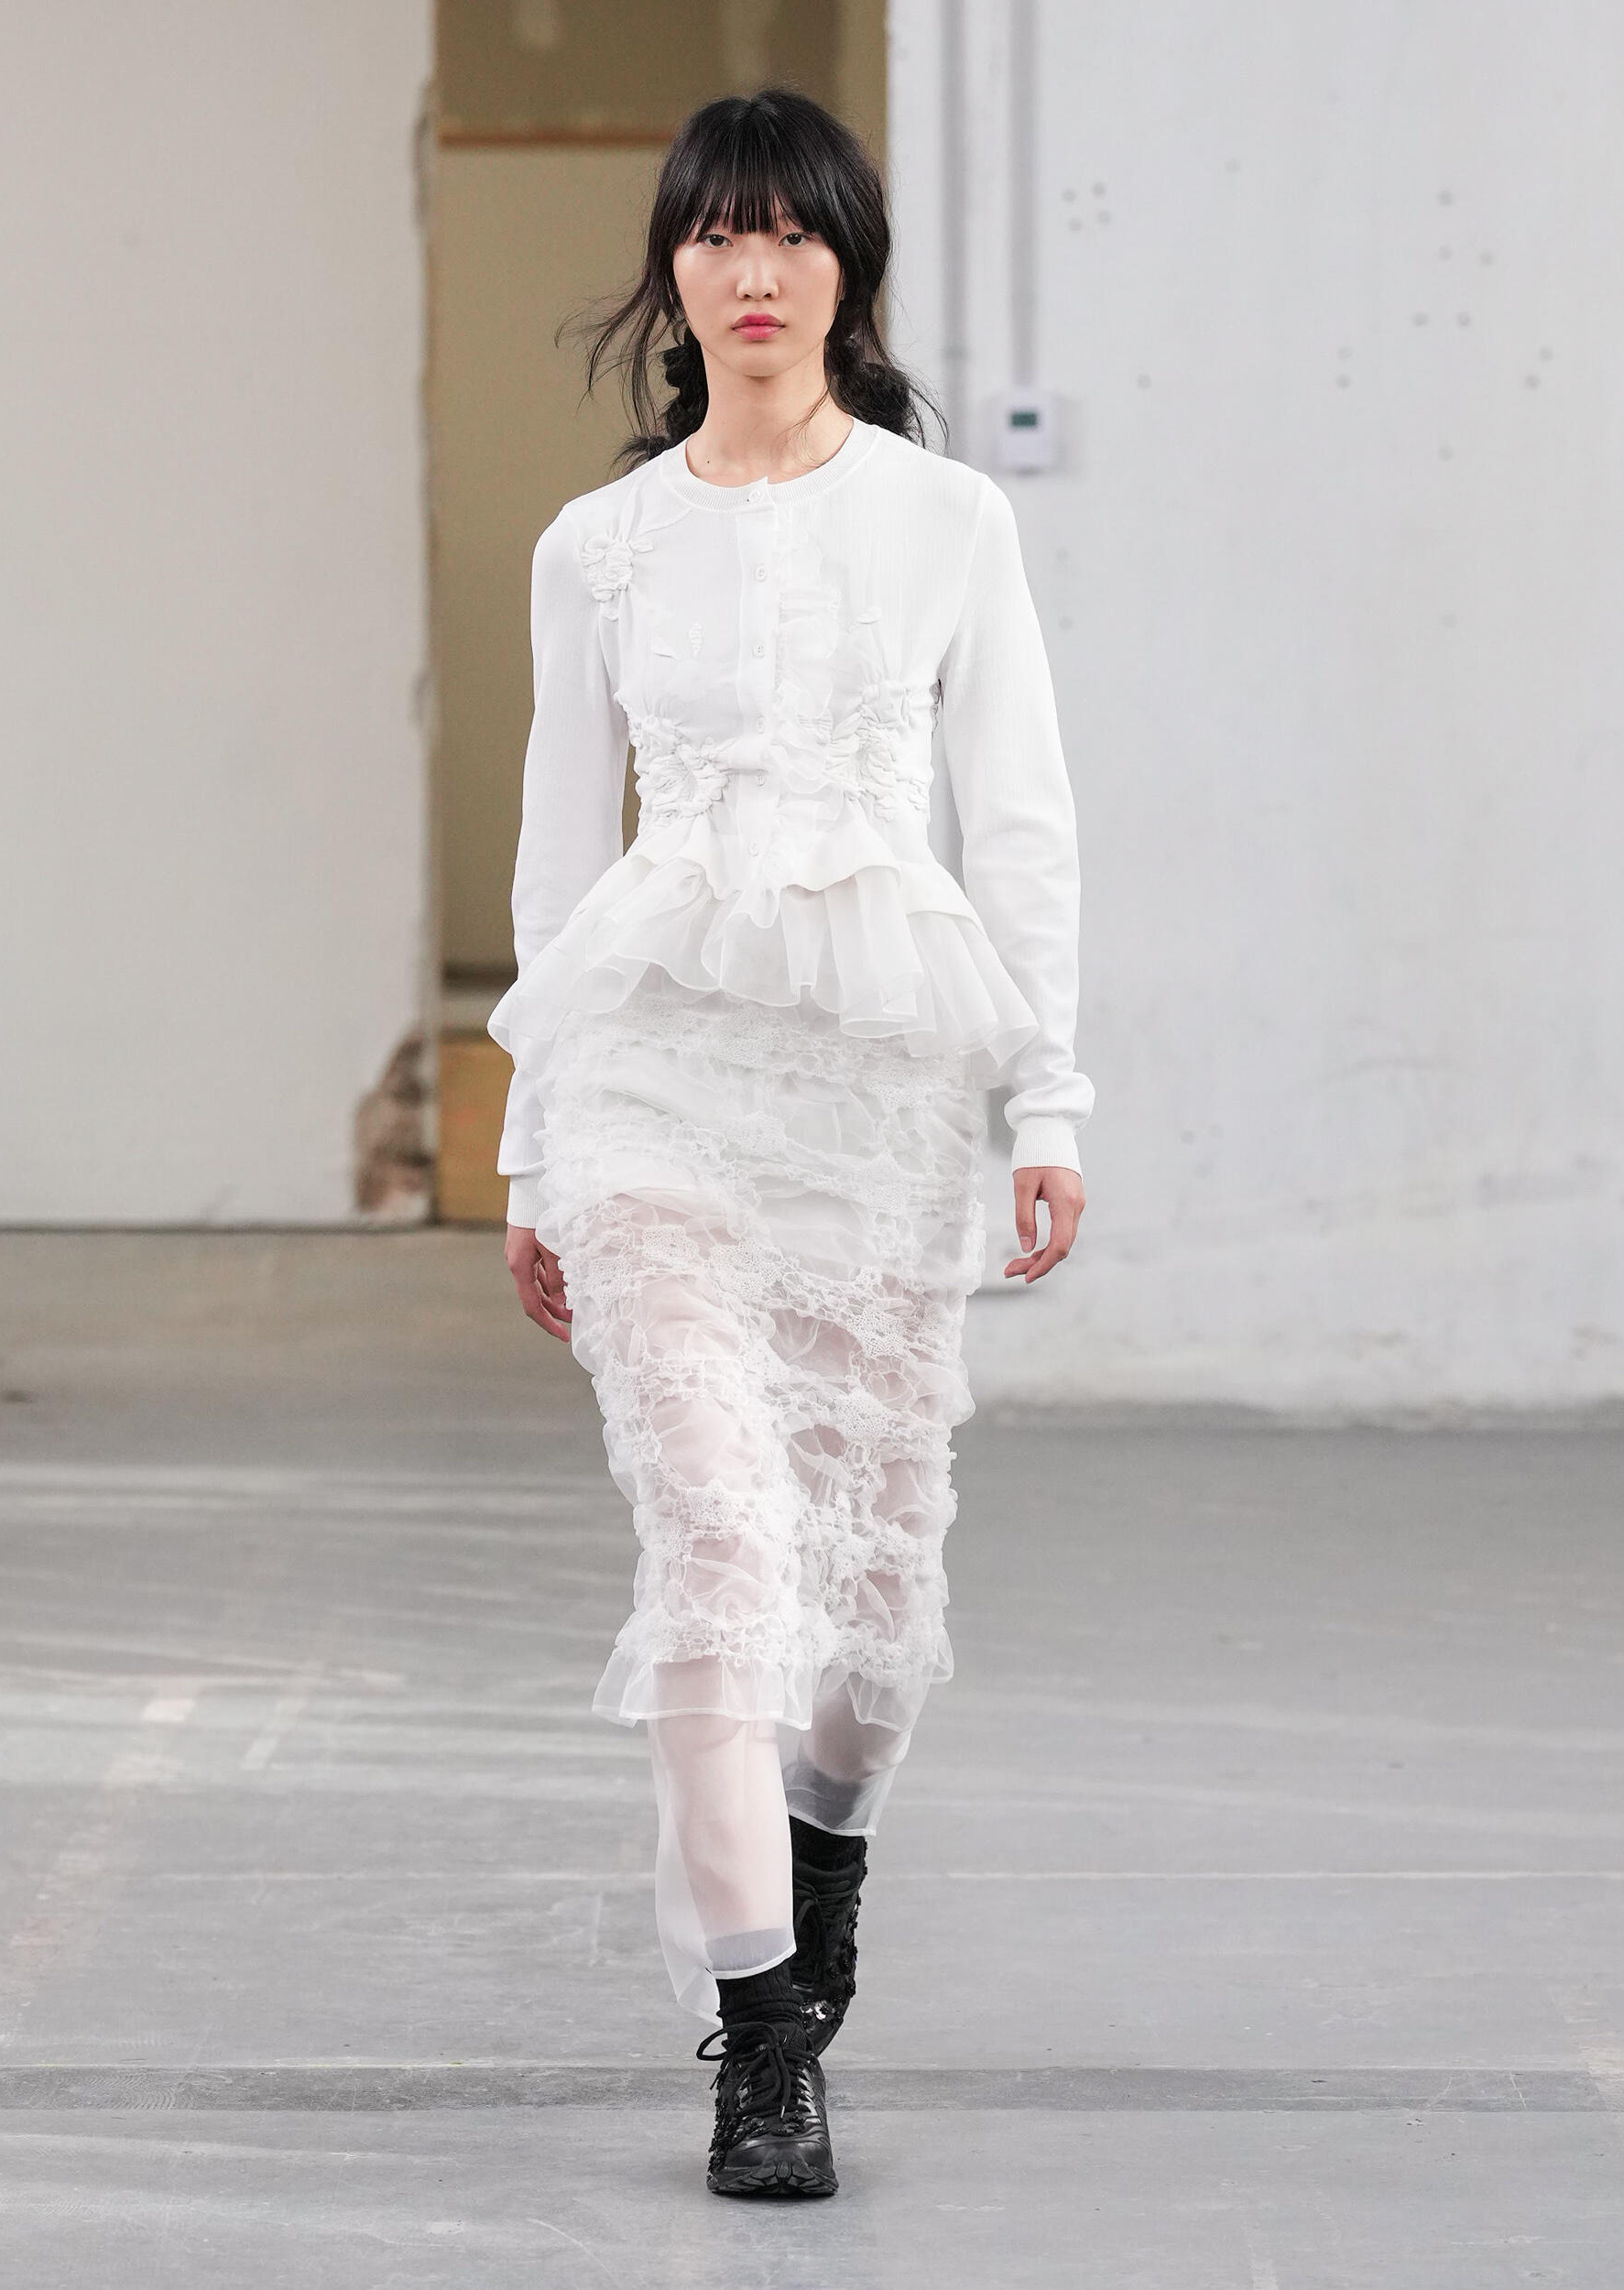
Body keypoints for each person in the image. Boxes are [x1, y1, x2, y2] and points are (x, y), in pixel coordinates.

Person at [491, 86, 1090, 2198]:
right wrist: (531, 1156)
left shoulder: (945, 519)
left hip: (876, 1097)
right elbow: (556, 868)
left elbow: (1017, 823)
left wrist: (1047, 1095)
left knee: (871, 1599)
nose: (752, 271)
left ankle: (822, 1865)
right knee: (720, 1545)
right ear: (671, 270)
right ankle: (758, 2037)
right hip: (651, 1087)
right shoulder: (597, 546)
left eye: (792, 234)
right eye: (715, 234)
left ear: (847, 269)